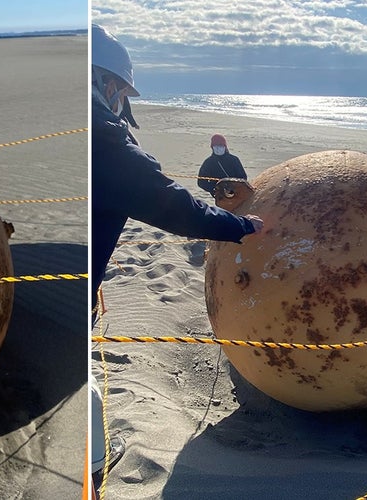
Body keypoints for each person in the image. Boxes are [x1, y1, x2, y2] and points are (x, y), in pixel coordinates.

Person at [90, 23, 264, 486]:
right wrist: (242, 227)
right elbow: (171, 203)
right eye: (121, 91)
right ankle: (91, 457)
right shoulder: (106, 141)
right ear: (109, 84)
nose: (122, 102)